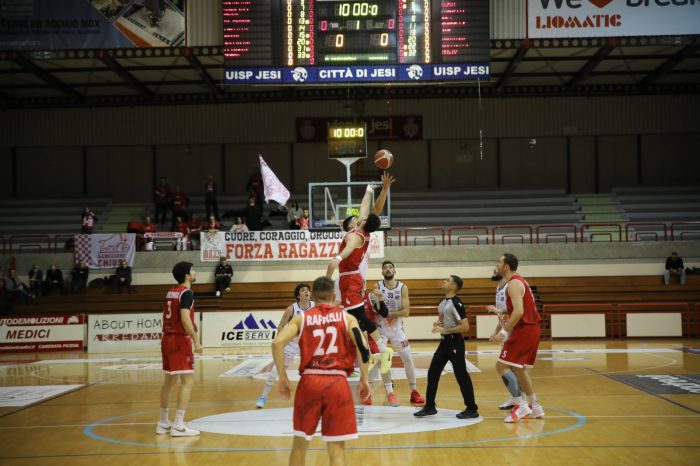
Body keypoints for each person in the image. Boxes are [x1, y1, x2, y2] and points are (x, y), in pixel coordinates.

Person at [272, 276, 370, 466]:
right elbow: (363, 346)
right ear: (334, 296)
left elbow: (277, 343)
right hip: (337, 383)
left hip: (310, 382)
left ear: (313, 296)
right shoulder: (347, 318)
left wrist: (282, 377)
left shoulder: (302, 318)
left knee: (300, 444)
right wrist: (364, 378)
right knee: (336, 449)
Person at [326, 172, 395, 374]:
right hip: (348, 278)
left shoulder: (356, 237)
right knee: (351, 317)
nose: (357, 217)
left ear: (362, 222)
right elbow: (368, 208)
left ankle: (379, 349)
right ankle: (366, 352)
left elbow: (347, 251)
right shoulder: (362, 227)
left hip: (351, 278)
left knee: (357, 316)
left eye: (358, 218)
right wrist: (369, 190)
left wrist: (336, 260)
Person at [414, 275, 479, 419]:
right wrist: (437, 324)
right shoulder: (443, 302)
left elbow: (465, 327)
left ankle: (472, 408)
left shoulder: (456, 303)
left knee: (461, 375)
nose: (444, 281)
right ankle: (430, 406)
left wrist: (446, 330)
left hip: (455, 343)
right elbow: (445, 322)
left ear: (453, 286)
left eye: (448, 280)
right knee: (432, 373)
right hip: (444, 343)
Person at [491, 253, 545, 423]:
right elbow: (517, 309)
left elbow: (519, 312)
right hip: (531, 329)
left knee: (501, 366)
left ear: (506, 267)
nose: (497, 265)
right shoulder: (518, 281)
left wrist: (503, 332)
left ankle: (521, 405)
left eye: (499, 262)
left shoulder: (513, 283)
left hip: (524, 329)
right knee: (519, 369)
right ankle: (536, 407)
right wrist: (500, 312)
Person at [156, 261, 203, 437]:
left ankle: (163, 422)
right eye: (193, 270)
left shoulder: (171, 291)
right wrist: (196, 341)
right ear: (187, 276)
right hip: (178, 340)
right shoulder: (187, 293)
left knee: (169, 381)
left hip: (167, 339)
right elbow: (185, 319)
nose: (195, 272)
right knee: (187, 380)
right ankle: (178, 424)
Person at [375, 261, 425, 406]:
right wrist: (384, 312)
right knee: (383, 360)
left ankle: (414, 391)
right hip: (381, 330)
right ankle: (390, 392)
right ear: (382, 272)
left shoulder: (403, 287)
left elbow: (406, 312)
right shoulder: (377, 287)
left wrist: (386, 313)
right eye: (385, 268)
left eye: (390, 267)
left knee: (408, 358)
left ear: (394, 271)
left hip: (397, 330)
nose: (388, 269)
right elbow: (375, 309)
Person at [257, 283, 314, 408]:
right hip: (293, 343)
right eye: (303, 290)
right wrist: (282, 339)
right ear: (298, 296)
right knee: (275, 370)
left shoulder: (315, 306)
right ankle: (263, 396)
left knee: (314, 372)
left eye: (308, 290)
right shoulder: (292, 309)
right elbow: (281, 325)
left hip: (309, 343)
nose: (306, 292)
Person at [487, 267, 523, 410]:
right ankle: (516, 398)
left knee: (507, 367)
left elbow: (516, 309)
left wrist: (499, 311)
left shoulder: (510, 286)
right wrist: (496, 331)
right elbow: (501, 315)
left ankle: (520, 400)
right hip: (506, 330)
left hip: (515, 331)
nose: (493, 273)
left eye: (496, 271)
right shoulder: (498, 288)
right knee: (510, 367)